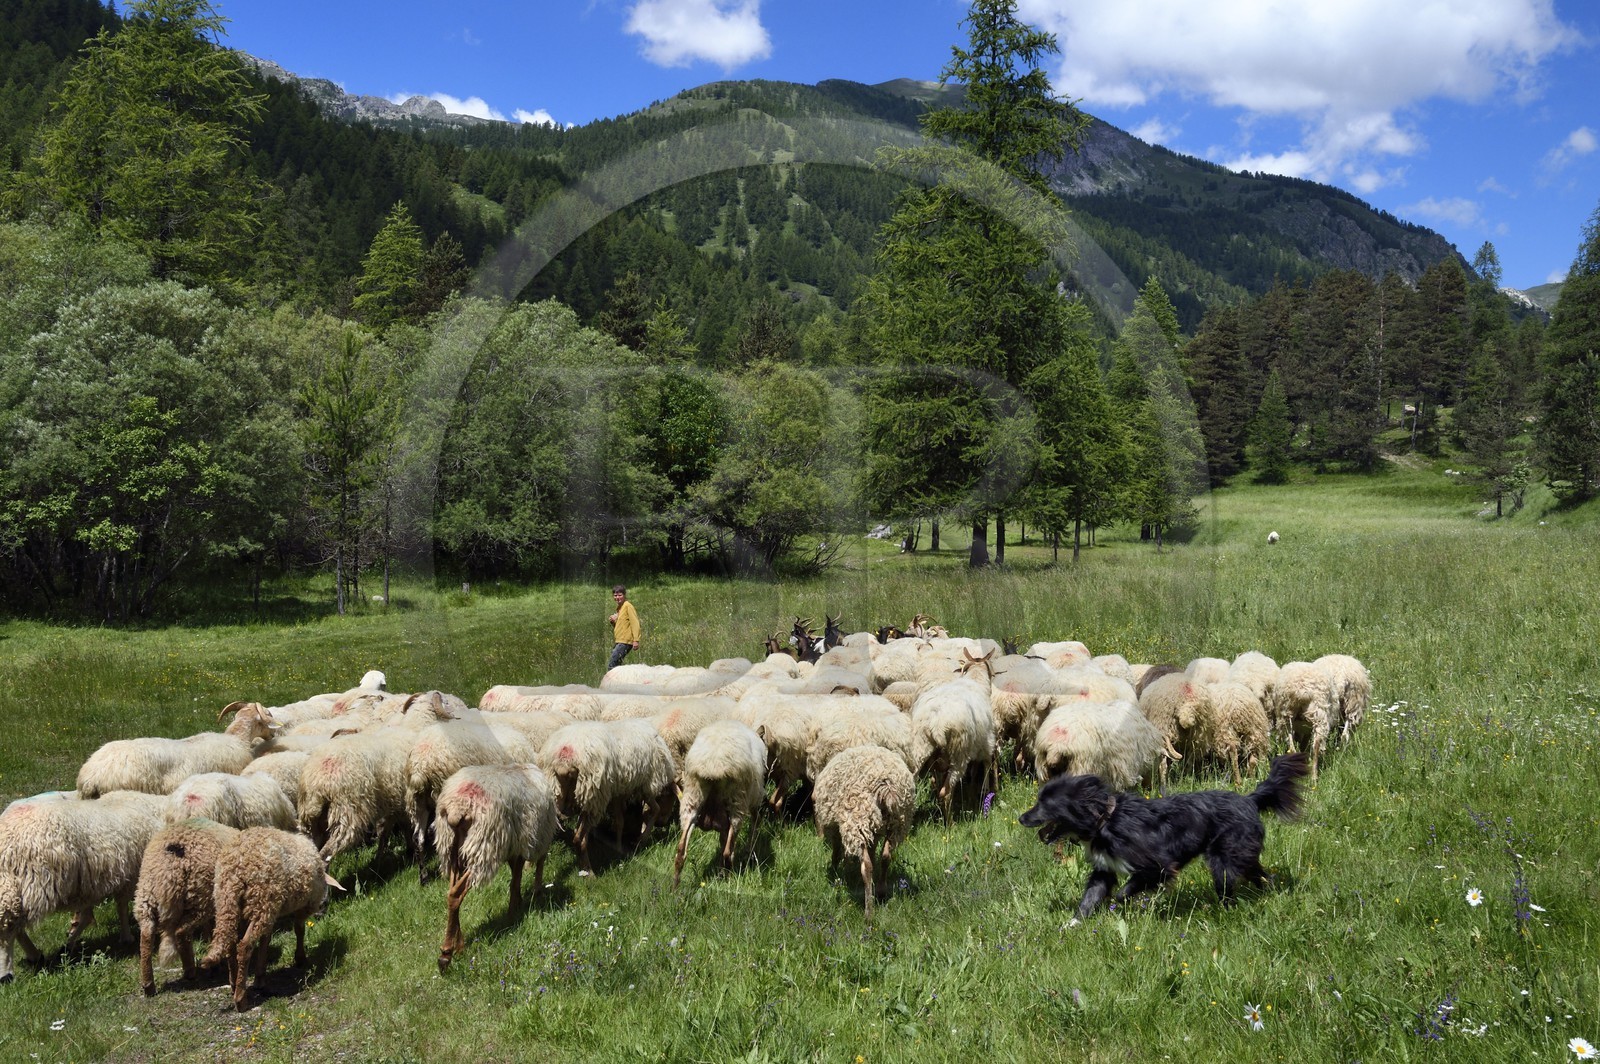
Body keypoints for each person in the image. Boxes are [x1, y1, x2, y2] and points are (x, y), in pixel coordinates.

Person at [606, 585, 639, 671]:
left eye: (620, 595)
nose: (617, 597)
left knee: (612, 665)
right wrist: (613, 622)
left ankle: (611, 683)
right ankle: (620, 682)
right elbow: (621, 625)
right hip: (619, 640)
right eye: (615, 595)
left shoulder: (628, 606)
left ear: (624, 595)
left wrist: (636, 640)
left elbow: (635, 623)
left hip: (625, 641)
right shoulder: (619, 608)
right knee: (616, 666)